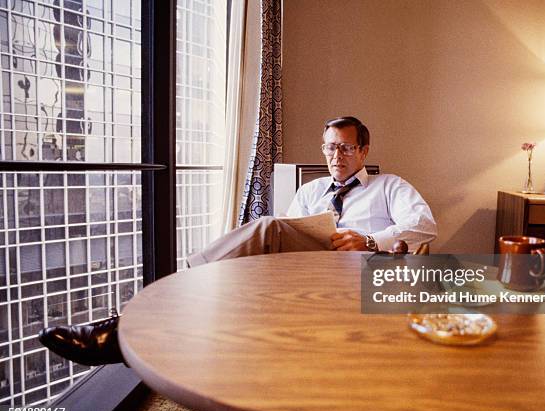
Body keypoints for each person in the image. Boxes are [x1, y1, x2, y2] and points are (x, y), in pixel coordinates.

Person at [38, 116, 437, 366]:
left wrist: (369, 239)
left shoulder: (389, 186)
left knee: (265, 229)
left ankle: (146, 316)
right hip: (305, 274)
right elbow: (293, 234)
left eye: (346, 147)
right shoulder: (311, 192)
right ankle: (152, 330)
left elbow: (424, 225)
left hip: (362, 273)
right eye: (330, 147)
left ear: (363, 150)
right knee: (260, 250)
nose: (337, 155)